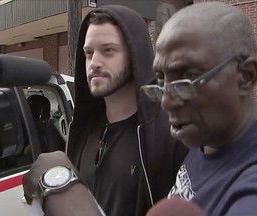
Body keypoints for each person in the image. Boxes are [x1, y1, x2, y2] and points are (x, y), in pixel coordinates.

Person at [23, 5, 188, 216]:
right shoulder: (84, 131)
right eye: (89, 53)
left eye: (108, 51)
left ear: (135, 56)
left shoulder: (169, 134)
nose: (94, 63)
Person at [142, 2, 257, 215]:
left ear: (245, 75)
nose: (166, 101)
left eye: (188, 78)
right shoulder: (209, 138)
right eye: (160, 79)